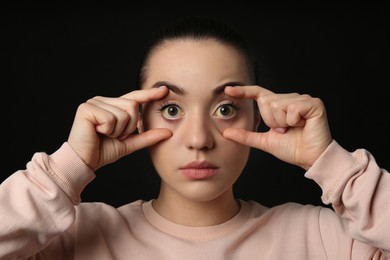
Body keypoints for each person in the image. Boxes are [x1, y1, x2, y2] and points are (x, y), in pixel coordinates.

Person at [0, 16, 389, 260]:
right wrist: (65, 169)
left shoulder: (325, 240)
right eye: (171, 109)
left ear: (257, 119)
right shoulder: (70, 240)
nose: (199, 140)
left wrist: (334, 163)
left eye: (225, 108)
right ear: (137, 119)